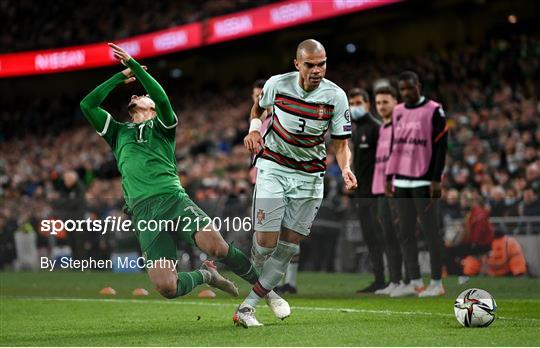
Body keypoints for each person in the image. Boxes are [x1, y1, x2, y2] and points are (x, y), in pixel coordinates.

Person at [80, 43, 290, 315]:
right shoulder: (117, 132)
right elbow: (88, 104)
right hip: (143, 211)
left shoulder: (162, 125)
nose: (139, 94)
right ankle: (208, 276)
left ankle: (269, 294)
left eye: (144, 95)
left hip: (172, 199)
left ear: (152, 108)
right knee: (167, 287)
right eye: (137, 93)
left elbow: (161, 97)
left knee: (217, 246)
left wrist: (134, 66)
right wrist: (120, 77)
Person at [237, 39, 357, 327]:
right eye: (310, 64)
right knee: (266, 243)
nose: (317, 70)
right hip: (274, 167)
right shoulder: (277, 84)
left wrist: (347, 168)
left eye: (322, 64)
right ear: (297, 64)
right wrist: (254, 130)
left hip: (309, 177)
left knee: (289, 247)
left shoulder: (336, 96)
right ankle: (266, 288)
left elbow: (341, 144)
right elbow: (258, 108)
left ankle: (248, 306)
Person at [385, 71, 448, 297]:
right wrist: (388, 176)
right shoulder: (398, 111)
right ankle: (414, 281)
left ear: (418, 86)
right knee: (405, 232)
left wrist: (436, 179)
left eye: (409, 88)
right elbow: (395, 145)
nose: (406, 93)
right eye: (402, 89)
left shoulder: (434, 110)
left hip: (424, 180)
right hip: (401, 179)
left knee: (431, 232)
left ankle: (437, 283)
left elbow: (441, 146)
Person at [370, 85, 409, 295]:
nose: (381, 106)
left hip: (395, 189)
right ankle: (395, 280)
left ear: (396, 101)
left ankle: (409, 281)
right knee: (388, 236)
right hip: (380, 190)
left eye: (386, 101)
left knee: (401, 234)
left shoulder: (399, 126)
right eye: (378, 103)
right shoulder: (382, 129)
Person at [348, 88, 386, 293]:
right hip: (362, 194)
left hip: (376, 194)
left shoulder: (376, 128)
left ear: (368, 104)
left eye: (358, 103)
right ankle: (380, 279)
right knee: (371, 237)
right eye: (351, 103)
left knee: (383, 236)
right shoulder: (357, 130)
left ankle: (398, 279)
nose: (354, 107)